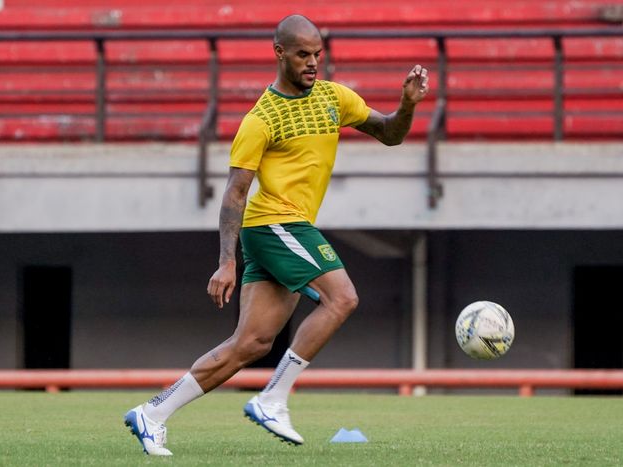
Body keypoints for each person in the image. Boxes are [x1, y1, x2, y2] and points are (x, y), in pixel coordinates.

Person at [124, 14, 429, 456]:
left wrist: (408, 105)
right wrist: (227, 261)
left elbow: (389, 134)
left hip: (283, 227)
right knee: (342, 298)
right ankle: (273, 398)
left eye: (318, 55)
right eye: (303, 54)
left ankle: (153, 414)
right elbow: (235, 193)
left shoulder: (333, 98)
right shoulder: (260, 119)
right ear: (279, 53)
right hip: (273, 224)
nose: (312, 63)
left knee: (250, 344)